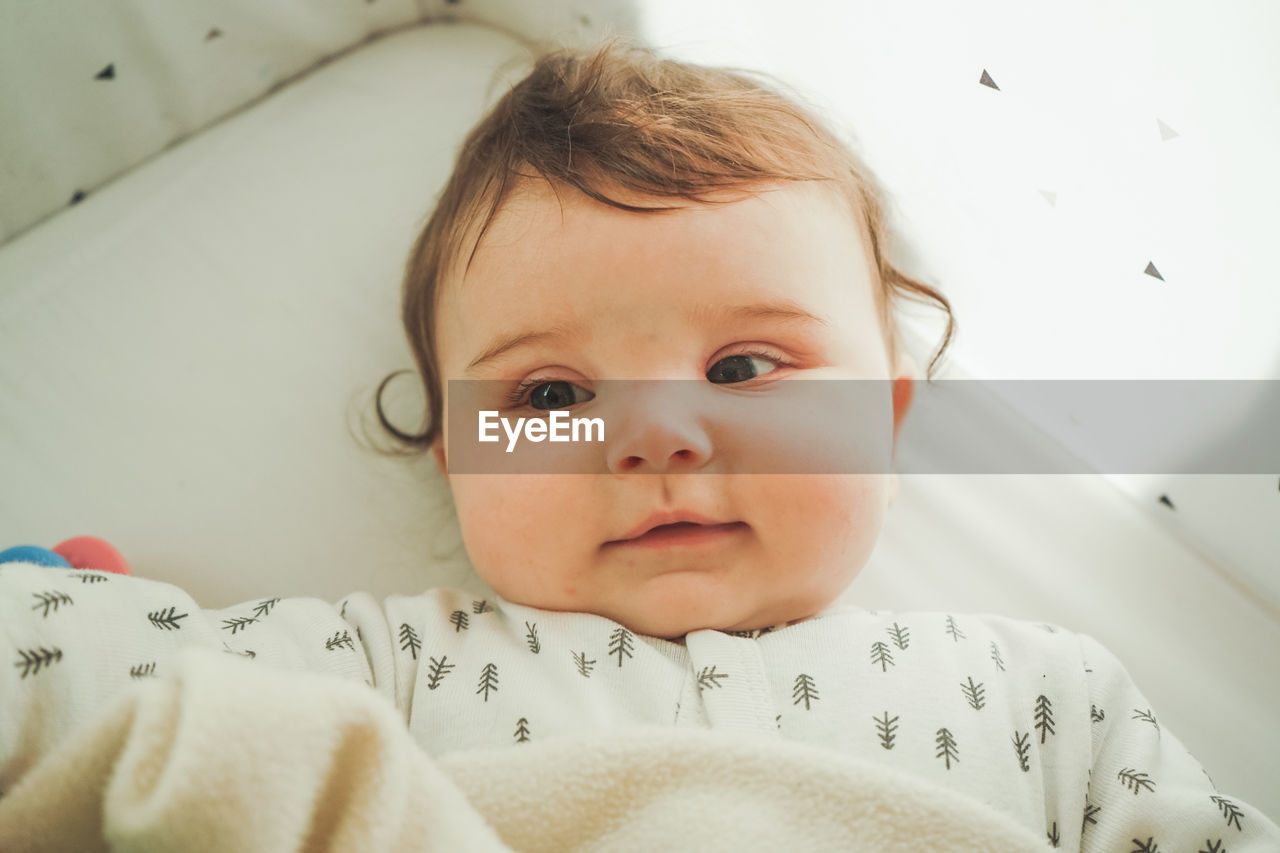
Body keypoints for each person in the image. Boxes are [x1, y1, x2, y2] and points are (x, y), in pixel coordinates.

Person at [2, 36, 1276, 851]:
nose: (655, 437)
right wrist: (54, 608)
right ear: (460, 453)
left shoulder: (1042, 690)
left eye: (740, 367)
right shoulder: (391, 660)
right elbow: (107, 691)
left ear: (883, 415)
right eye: (551, 398)